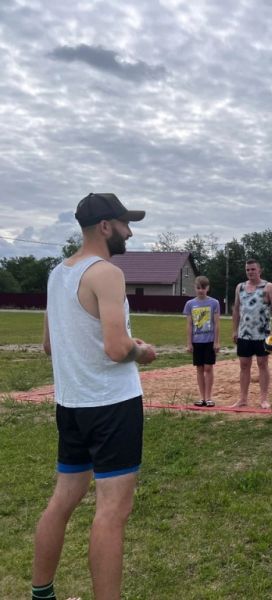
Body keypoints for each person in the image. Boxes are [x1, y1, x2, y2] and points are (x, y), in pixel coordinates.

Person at [32, 193, 157, 600]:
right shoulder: (106, 272)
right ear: (105, 227)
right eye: (124, 224)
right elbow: (117, 349)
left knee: (62, 500)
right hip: (112, 407)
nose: (129, 231)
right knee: (112, 513)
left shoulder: (57, 274)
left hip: (71, 405)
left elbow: (50, 345)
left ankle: (41, 593)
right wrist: (143, 350)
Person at [231, 259, 272, 409]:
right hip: (244, 333)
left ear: (260, 270)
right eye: (248, 270)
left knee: (262, 364)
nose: (250, 272)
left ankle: (264, 399)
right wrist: (234, 330)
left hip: (262, 333)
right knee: (244, 365)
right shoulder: (240, 287)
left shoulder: (268, 287)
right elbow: (236, 309)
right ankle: (243, 398)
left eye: (253, 269)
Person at [183, 275, 221, 407]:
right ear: (195, 288)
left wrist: (216, 342)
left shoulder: (214, 303)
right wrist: (189, 343)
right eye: (198, 288)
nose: (201, 290)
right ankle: (202, 397)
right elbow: (189, 324)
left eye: (203, 288)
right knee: (199, 368)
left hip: (209, 341)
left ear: (208, 288)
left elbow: (216, 324)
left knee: (208, 368)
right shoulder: (190, 304)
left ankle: (209, 397)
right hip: (196, 341)